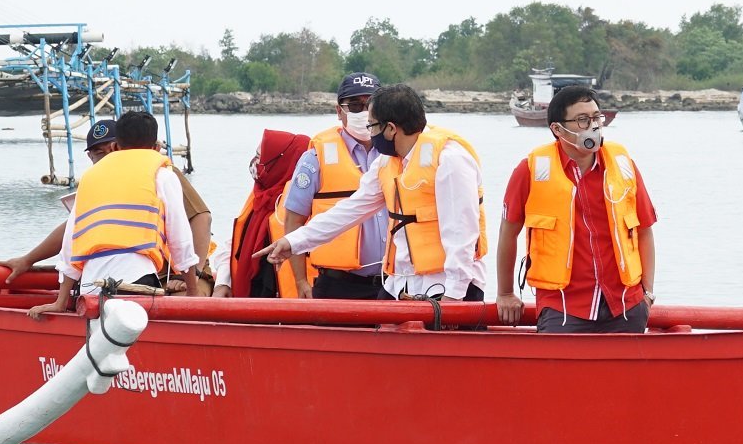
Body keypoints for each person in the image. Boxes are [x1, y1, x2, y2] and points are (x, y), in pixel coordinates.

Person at [262, 82, 489, 302]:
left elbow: (462, 231)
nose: (369, 133)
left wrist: (454, 294)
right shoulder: (386, 163)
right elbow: (349, 210)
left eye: (372, 126)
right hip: (401, 284)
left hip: (448, 286)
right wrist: (293, 242)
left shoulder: (450, 160)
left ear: (390, 129)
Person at [493, 84, 658, 332]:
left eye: (596, 117)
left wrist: (648, 293)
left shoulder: (623, 165)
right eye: (582, 119)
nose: (593, 125)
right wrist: (505, 293)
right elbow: (508, 232)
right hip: (563, 307)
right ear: (557, 129)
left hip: (625, 305)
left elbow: (644, 229)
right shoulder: (531, 170)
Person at [0, 117, 219, 293]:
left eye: (109, 151)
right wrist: (28, 259)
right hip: (133, 275)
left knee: (181, 308)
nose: (104, 159)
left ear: (120, 147)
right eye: (97, 154)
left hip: (177, 272)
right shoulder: (98, 180)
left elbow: (200, 218)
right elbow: (72, 230)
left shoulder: (160, 173)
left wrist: (191, 274)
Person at [27, 110, 204, 318]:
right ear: (156, 148)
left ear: (115, 146)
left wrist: (61, 301)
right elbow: (180, 239)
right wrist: (193, 291)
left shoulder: (89, 178)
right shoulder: (162, 175)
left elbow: (70, 242)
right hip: (136, 282)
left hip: (90, 290)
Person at [279, 73, 393, 300]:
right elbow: (294, 221)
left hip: (394, 284)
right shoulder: (315, 158)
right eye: (354, 105)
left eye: (370, 104)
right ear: (339, 111)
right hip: (338, 285)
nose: (364, 112)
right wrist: (300, 281)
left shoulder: (397, 153)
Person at [227, 129, 309, 297]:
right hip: (255, 296)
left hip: (288, 300)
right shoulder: (259, 198)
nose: (255, 162)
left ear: (282, 162)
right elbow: (234, 242)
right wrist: (223, 282)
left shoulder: (304, 204)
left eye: (261, 156)